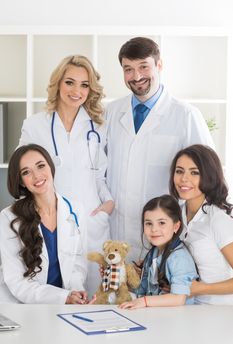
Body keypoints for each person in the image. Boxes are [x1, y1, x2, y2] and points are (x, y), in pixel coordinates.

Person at [105, 36, 214, 263]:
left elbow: (207, 177)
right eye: (128, 69)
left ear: (159, 65)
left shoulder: (185, 115)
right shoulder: (111, 113)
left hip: (165, 238)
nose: (137, 76)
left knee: (159, 295)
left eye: (144, 66)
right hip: (116, 235)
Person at [18, 55, 114, 297]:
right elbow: (23, 173)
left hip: (92, 218)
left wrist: (108, 204)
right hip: (51, 218)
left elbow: (99, 174)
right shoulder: (35, 125)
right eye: (70, 82)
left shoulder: (97, 126)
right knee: (53, 290)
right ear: (58, 83)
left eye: (84, 85)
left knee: (94, 292)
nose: (77, 91)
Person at [0, 144, 95, 304]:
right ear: (22, 182)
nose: (37, 176)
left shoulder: (76, 210)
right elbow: (17, 281)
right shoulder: (8, 218)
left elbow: (77, 265)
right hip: (21, 306)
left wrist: (75, 292)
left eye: (41, 166)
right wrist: (63, 297)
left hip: (65, 306)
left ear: (50, 167)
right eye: (26, 172)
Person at [169, 144, 233, 305]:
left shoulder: (217, 219)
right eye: (179, 171)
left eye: (194, 172)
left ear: (209, 176)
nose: (184, 178)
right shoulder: (177, 215)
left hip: (222, 311)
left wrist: (201, 288)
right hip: (190, 307)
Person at [119, 195, 198, 309]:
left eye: (161, 223)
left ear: (176, 226)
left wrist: (144, 301)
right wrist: (117, 278)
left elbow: (178, 298)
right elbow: (143, 290)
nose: (154, 229)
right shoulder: (153, 253)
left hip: (178, 318)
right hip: (157, 315)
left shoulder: (179, 258)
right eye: (149, 223)